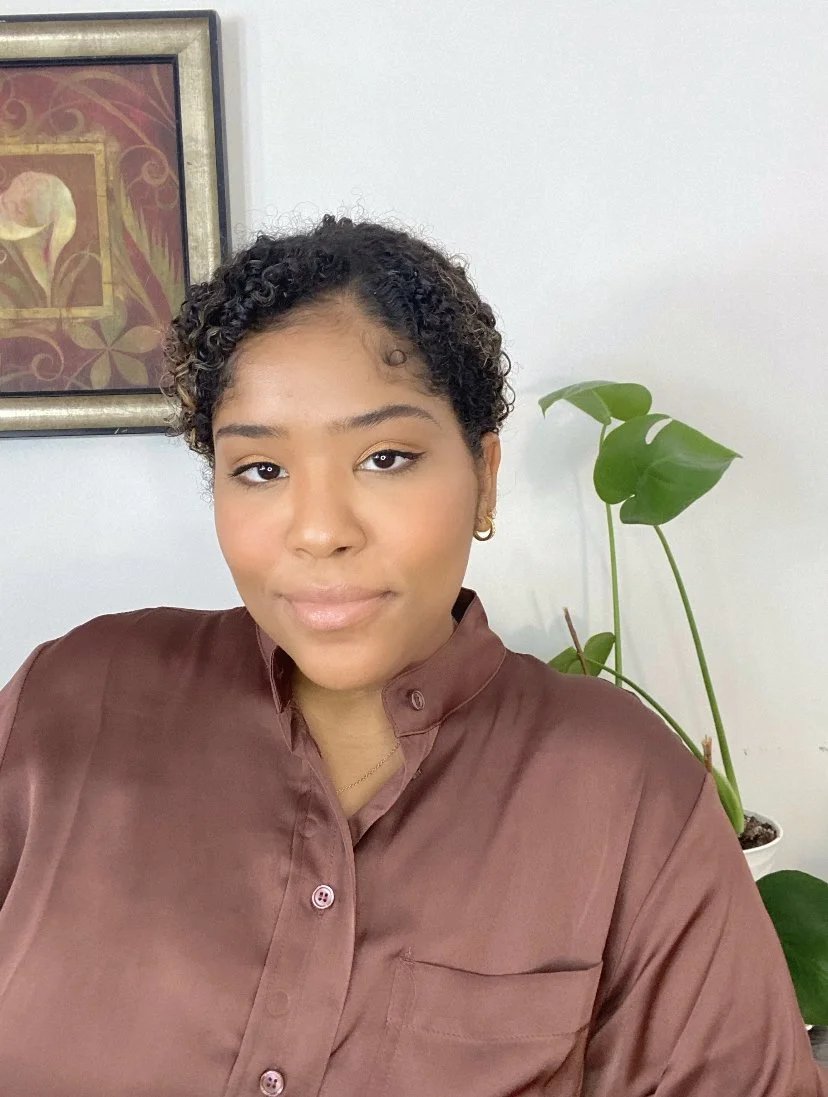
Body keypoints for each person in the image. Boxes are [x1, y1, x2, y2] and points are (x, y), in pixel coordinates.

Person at [0, 214, 824, 1097]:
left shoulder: (626, 794)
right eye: (261, 470)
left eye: (385, 457)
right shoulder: (74, 702)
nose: (319, 531)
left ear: (485, 476)